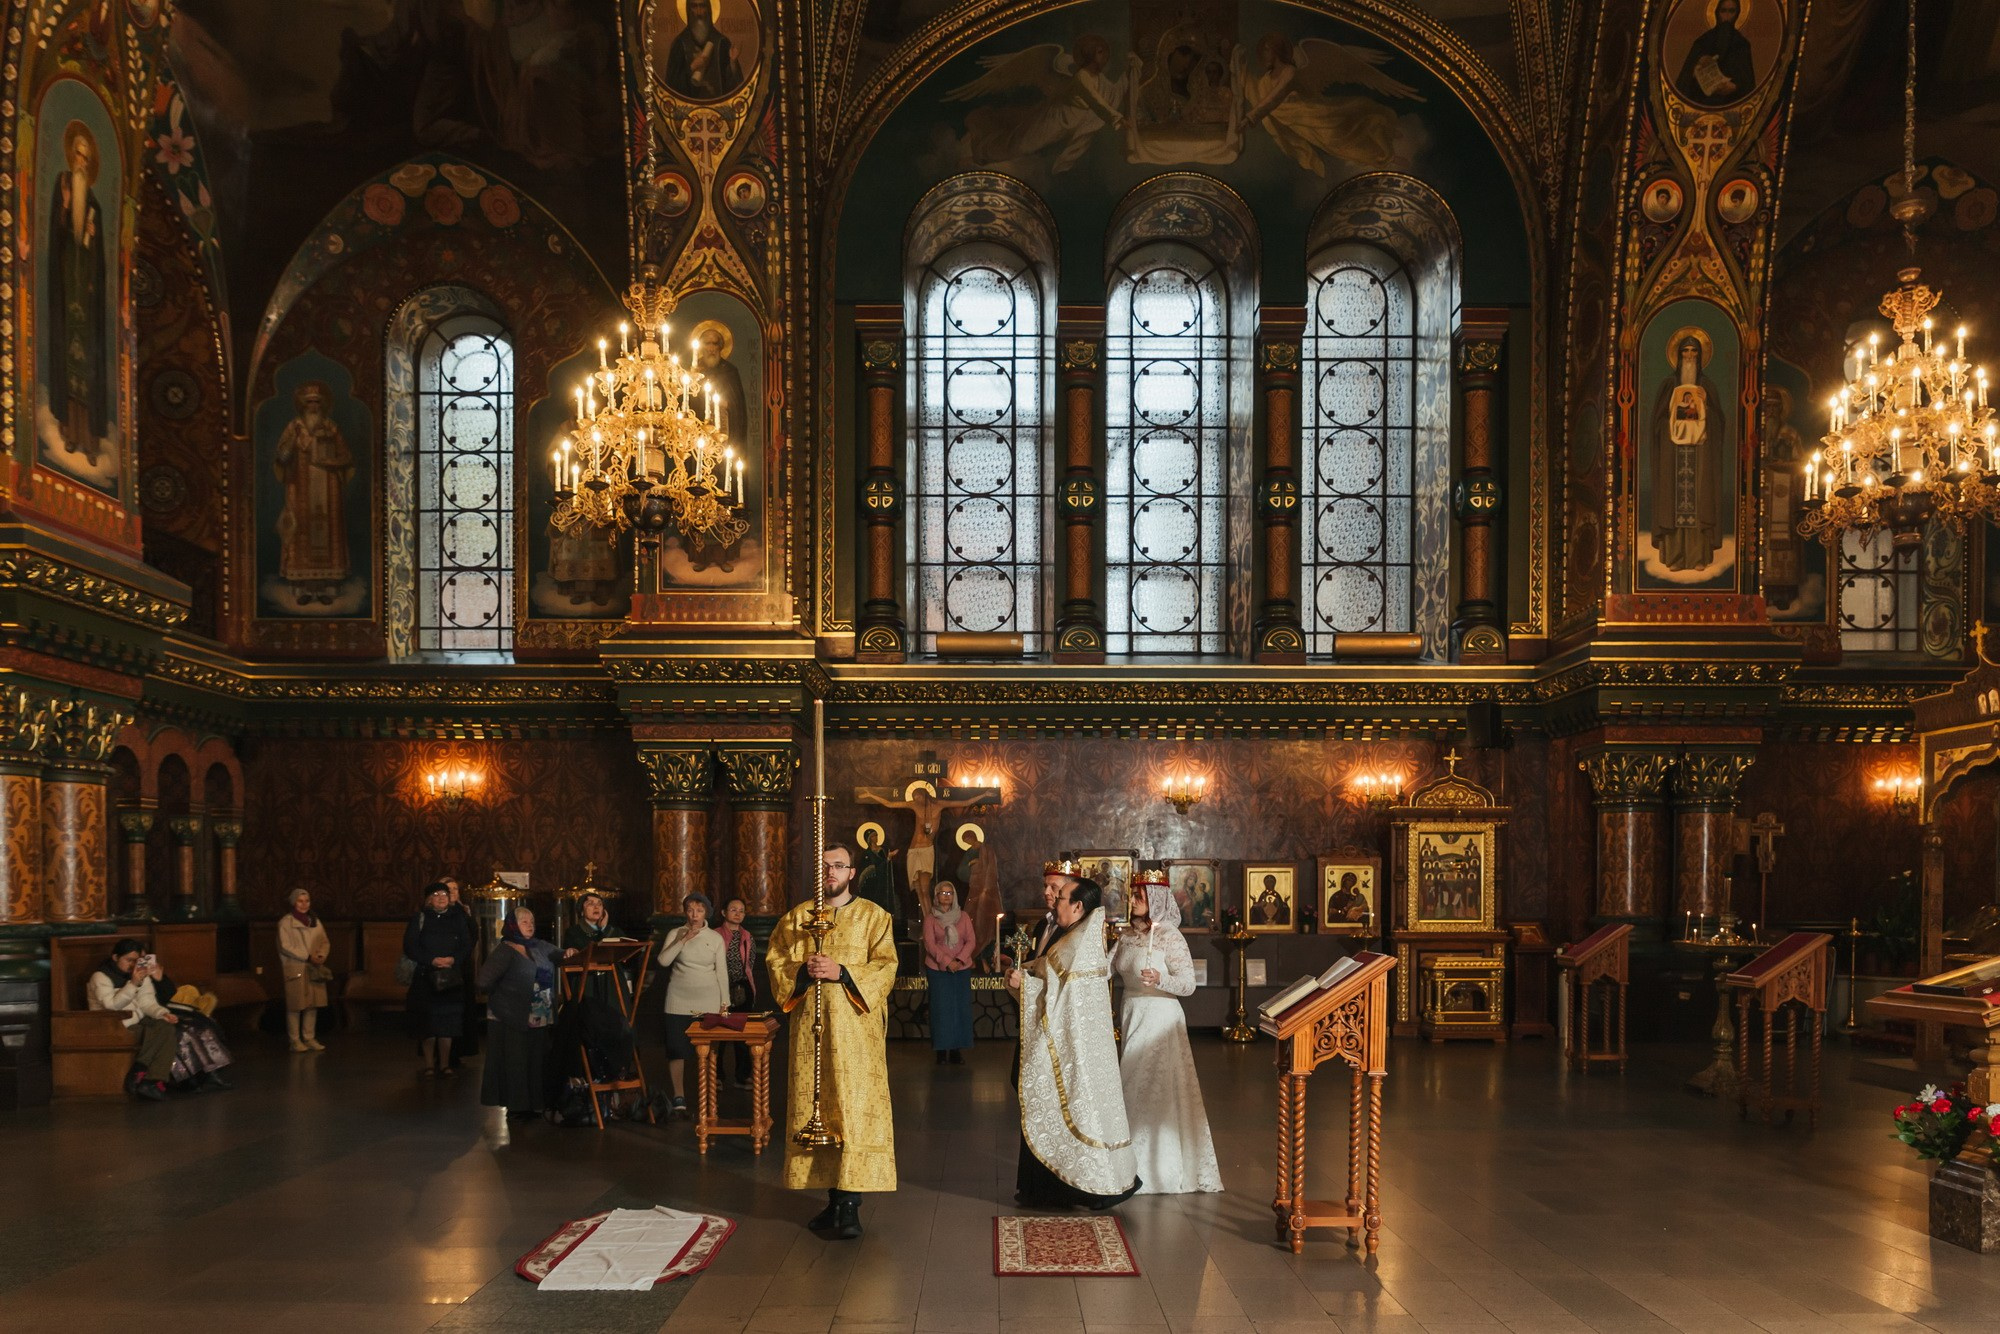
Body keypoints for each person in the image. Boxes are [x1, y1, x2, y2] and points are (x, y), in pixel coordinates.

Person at [767, 843, 898, 1240]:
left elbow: (886, 967)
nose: (830, 872)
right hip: (811, 1032)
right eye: (823, 866)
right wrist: (803, 971)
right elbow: (776, 961)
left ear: (852, 873)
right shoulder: (796, 918)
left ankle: (850, 1204)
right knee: (818, 1107)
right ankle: (832, 1199)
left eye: (838, 866)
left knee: (853, 1110)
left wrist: (842, 970)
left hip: (856, 1036)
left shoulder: (875, 917)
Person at [1009, 876, 1139, 1209]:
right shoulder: (1078, 938)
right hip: (1073, 1044)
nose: (1056, 901)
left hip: (1071, 1049)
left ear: (1078, 906)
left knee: (1070, 1108)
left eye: (1063, 897)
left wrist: (1023, 984)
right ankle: (1051, 1187)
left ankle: (1069, 1188)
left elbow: (1060, 999)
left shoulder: (1076, 944)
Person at [1113, 873, 1223, 1195]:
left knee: (1152, 1086)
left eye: (1139, 896)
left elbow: (1188, 984)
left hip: (1161, 1019)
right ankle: (1124, 1164)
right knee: (1130, 1085)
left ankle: (1155, 1170)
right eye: (1132, 895)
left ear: (1155, 902)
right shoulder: (1126, 937)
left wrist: (1160, 978)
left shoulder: (1171, 937)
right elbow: (1105, 968)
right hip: (1132, 1014)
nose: (1132, 900)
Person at [479, 906, 566, 1119]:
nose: (530, 925)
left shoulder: (540, 947)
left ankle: (536, 1103)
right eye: (524, 921)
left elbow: (562, 955)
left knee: (537, 1060)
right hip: (511, 1015)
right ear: (512, 925)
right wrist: (506, 997)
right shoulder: (505, 950)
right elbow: (483, 982)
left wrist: (570, 953)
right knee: (516, 1061)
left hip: (539, 1015)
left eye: (532, 921)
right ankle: (518, 1107)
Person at [656, 892, 730, 1117]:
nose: (694, 914)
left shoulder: (715, 938)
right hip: (678, 1000)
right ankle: (679, 1096)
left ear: (706, 912)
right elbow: (663, 961)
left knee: (706, 1052)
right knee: (676, 1049)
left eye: (699, 910)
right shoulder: (675, 933)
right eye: (690, 910)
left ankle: (707, 1096)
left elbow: (722, 973)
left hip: (707, 1000)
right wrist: (683, 940)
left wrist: (724, 1004)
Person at [87, 939, 179, 1101]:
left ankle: (152, 1081)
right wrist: (133, 983)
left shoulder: (140, 973)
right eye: (129, 960)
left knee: (166, 1026)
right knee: (152, 1032)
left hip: (136, 1019)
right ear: (115, 957)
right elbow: (112, 1006)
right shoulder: (100, 977)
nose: (133, 965)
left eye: (137, 961)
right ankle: (141, 1069)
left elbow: (147, 1002)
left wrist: (162, 1013)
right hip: (112, 1023)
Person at [405, 882, 474, 1078]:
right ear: (429, 899)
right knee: (428, 1024)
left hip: (450, 977)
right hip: (426, 977)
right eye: (436, 894)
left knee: (447, 1023)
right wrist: (431, 960)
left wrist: (453, 959)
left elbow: (466, 944)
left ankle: (444, 1064)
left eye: (444, 893)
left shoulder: (458, 918)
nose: (442, 897)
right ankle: (429, 1064)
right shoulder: (420, 918)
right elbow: (410, 946)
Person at [922, 880, 977, 1065]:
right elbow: (929, 944)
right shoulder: (931, 919)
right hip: (938, 970)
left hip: (961, 970)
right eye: (942, 893)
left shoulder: (963, 916)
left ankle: (956, 1050)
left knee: (959, 1010)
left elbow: (971, 941)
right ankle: (941, 1050)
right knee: (940, 1010)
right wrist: (946, 962)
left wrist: (959, 960)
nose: (946, 896)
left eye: (949, 893)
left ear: (954, 896)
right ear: (936, 896)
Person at [278, 887, 331, 1053]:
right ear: (294, 902)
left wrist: (321, 956)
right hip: (296, 968)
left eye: (306, 901)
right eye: (300, 901)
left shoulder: (314, 921)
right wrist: (307, 956)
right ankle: (295, 1040)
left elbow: (324, 942)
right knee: (296, 1005)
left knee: (312, 1004)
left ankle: (309, 1037)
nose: (304, 904)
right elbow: (285, 946)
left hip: (313, 968)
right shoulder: (286, 923)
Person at [718, 894, 759, 1088]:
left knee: (742, 1034)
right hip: (719, 988)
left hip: (742, 988)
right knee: (719, 1034)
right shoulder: (715, 934)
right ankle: (716, 1075)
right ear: (724, 912)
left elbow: (750, 964)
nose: (738, 913)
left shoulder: (747, 936)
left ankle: (742, 1076)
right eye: (733, 910)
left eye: (741, 911)